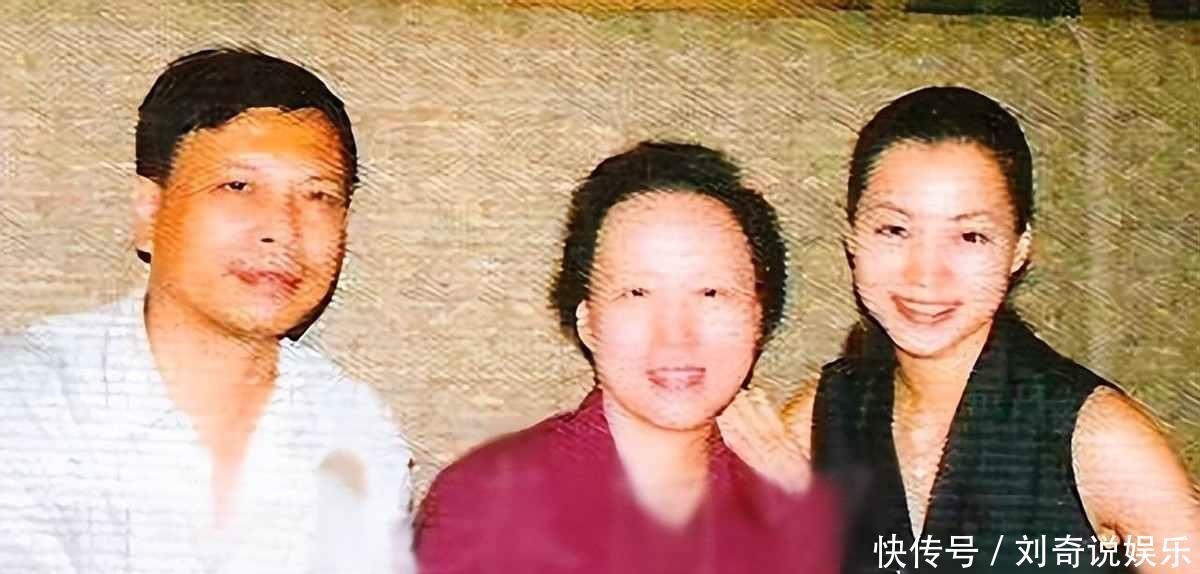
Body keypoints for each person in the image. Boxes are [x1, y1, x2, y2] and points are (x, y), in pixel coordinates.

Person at [721, 86, 1200, 573]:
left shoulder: (1099, 439)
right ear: (852, 238)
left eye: (970, 236)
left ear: (1018, 249)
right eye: (894, 230)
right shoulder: (817, 422)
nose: (925, 275)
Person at [0, 49, 415, 574]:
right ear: (149, 211)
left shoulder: (355, 427)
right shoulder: (27, 397)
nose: (282, 228)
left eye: (318, 195)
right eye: (238, 186)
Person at [414, 141, 843, 574]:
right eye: (636, 293)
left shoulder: (790, 495)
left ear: (758, 317)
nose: (676, 336)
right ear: (588, 321)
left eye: (711, 293)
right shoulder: (488, 502)